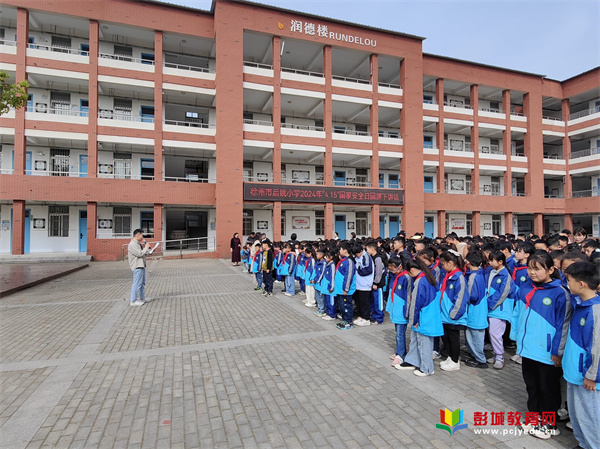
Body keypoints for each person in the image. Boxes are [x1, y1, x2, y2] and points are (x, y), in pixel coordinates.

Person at [511, 251, 571, 440]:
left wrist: (558, 351)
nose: (532, 272)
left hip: (548, 353)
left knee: (548, 389)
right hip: (528, 349)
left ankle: (549, 424)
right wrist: (516, 339)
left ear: (551, 270)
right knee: (532, 386)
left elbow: (563, 325)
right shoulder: (525, 288)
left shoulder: (560, 293)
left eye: (537, 269)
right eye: (530, 268)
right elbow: (517, 314)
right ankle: (533, 418)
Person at [563, 262, 600, 449]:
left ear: (581, 284)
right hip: (575, 373)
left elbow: (597, 348)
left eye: (569, 280)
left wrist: (592, 376)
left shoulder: (595, 311)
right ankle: (584, 444)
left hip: (587, 377)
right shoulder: (581, 304)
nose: (567, 284)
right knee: (578, 415)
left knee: (590, 417)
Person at [398, 258, 442, 376]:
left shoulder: (420, 281)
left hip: (424, 317)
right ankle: (413, 361)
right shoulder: (427, 277)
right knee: (416, 340)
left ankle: (426, 368)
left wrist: (414, 319)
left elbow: (417, 303)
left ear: (412, 270)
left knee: (424, 343)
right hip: (428, 315)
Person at [486, 251, 517, 370]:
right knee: (493, 333)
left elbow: (502, 293)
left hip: (499, 309)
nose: (490, 262)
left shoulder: (505, 275)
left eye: (492, 260)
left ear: (500, 262)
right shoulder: (492, 272)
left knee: (495, 333)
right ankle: (496, 354)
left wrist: (490, 304)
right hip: (492, 308)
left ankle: (499, 356)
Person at [438, 249, 468, 372]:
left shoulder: (459, 278)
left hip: (453, 316)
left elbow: (461, 298)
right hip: (445, 315)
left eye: (443, 264)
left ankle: (455, 361)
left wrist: (453, 313)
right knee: (446, 338)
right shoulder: (448, 276)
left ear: (450, 263)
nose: (442, 266)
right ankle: (450, 357)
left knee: (453, 338)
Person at [463, 249, 488, 369]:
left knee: (474, 337)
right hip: (480, 310)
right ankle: (475, 356)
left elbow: (472, 296)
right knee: (476, 336)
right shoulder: (480, 273)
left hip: (475, 311)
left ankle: (480, 359)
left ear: (468, 262)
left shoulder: (473, 276)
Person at [386, 256, 412, 366]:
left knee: (400, 334)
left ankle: (401, 355)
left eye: (394, 269)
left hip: (402, 310)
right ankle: (399, 351)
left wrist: (406, 311)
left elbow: (408, 296)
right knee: (398, 333)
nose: (392, 271)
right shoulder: (395, 277)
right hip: (395, 309)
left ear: (400, 266)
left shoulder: (406, 277)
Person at [335, 242, 356, 330]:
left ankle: (349, 322)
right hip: (340, 289)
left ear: (345, 250)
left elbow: (349, 276)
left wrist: (346, 289)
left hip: (345, 290)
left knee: (347, 305)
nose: (339, 251)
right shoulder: (343, 261)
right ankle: (345, 320)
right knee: (342, 306)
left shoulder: (349, 262)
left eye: (340, 249)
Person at [353, 243, 374, 326]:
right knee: (359, 302)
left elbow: (368, 270)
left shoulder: (366, 257)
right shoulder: (357, 257)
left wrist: (357, 268)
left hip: (365, 284)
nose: (356, 255)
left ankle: (366, 318)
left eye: (357, 254)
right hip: (358, 284)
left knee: (364, 303)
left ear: (361, 251)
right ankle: (360, 316)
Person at [128, 229, 151, 306]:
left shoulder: (138, 244)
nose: (142, 237)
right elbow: (139, 254)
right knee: (137, 283)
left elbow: (143, 253)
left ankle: (142, 297)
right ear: (137, 235)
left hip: (141, 265)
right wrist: (146, 248)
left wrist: (147, 249)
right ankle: (133, 301)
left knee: (142, 283)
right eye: (141, 235)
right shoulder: (132, 244)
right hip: (137, 266)